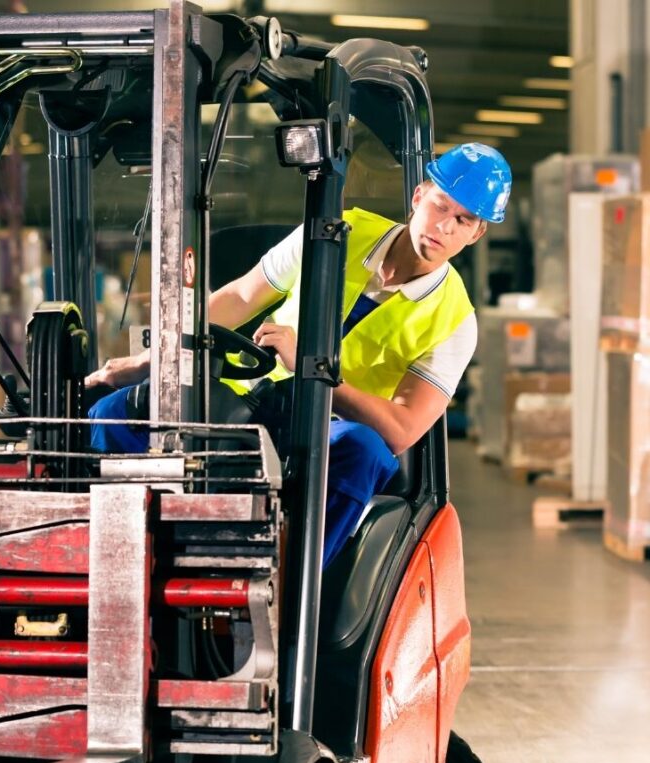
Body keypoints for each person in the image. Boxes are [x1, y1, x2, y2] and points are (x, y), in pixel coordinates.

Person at [86, 142, 512, 567]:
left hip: (326, 428)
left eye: (464, 220)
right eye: (441, 206)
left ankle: (289, 585)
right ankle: (122, 562)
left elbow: (402, 428)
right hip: (245, 397)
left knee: (364, 452)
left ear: (476, 234)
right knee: (116, 413)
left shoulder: (456, 321)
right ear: (419, 196)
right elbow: (241, 296)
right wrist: (153, 360)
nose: (445, 226)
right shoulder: (335, 232)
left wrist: (313, 367)